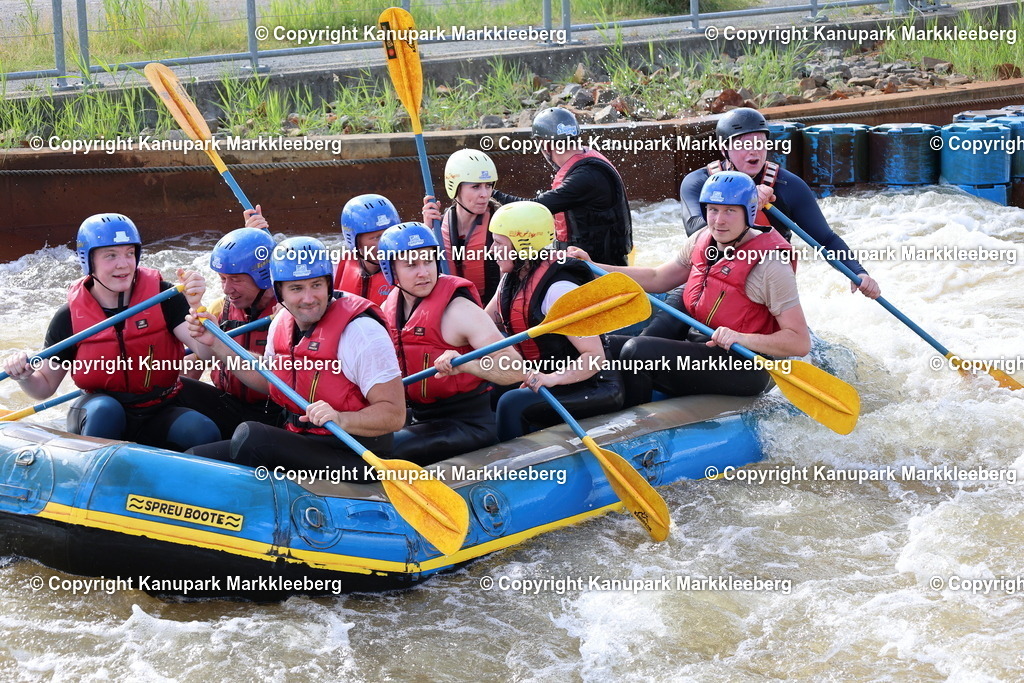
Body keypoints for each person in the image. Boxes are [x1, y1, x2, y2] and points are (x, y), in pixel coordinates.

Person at [570, 171, 811, 406]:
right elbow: (657, 277)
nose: (719, 220)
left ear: (748, 212)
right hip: (702, 344)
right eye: (713, 210)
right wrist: (592, 267)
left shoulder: (770, 265)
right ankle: (594, 400)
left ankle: (633, 425)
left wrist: (741, 338)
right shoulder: (702, 239)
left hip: (744, 363)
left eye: (730, 211)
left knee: (638, 353)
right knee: (603, 346)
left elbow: (799, 342)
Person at [186, 236, 405, 481]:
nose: (309, 298)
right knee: (193, 456)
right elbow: (268, 379)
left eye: (316, 285)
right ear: (279, 292)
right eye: (296, 288)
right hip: (303, 439)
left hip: (356, 454)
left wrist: (342, 418)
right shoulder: (282, 321)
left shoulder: (361, 331)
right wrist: (217, 342)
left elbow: (395, 415)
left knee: (255, 437)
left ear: (329, 284)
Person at [1, 213, 220, 451]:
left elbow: (206, 354)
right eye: (110, 256)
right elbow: (43, 387)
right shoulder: (69, 317)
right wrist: (22, 376)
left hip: (159, 407)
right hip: (97, 410)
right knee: (107, 411)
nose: (123, 264)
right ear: (89, 261)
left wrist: (197, 307)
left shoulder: (164, 297)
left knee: (201, 430)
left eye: (129, 253)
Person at [679, 107, 881, 299]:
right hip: (710, 276)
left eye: (760, 143)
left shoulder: (788, 186)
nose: (754, 152)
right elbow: (695, 231)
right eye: (743, 145)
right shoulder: (698, 182)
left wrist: (858, 272)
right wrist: (746, 199)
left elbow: (826, 240)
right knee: (665, 322)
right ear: (724, 149)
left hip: (765, 285)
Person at [378, 222, 525, 463]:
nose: (423, 272)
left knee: (387, 450)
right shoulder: (388, 308)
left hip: (467, 424)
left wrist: (466, 365)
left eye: (428, 261)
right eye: (411, 265)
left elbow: (516, 369)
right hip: (418, 416)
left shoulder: (459, 310)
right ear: (390, 270)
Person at [485, 201, 623, 441]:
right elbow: (484, 323)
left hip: (591, 385)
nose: (492, 250)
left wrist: (552, 379)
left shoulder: (559, 290)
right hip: (550, 376)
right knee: (490, 389)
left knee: (511, 403)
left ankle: (516, 469)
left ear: (522, 246)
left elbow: (593, 357)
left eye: (499, 243)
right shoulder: (514, 276)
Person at [491, 107, 633, 266]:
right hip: (596, 262)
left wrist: (488, 193)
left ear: (545, 145)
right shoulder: (585, 161)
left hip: (600, 271)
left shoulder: (585, 177)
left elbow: (534, 209)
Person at [179, 223, 282, 439]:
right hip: (228, 404)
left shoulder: (288, 315)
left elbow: (284, 379)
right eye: (223, 279)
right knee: (175, 389)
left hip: (273, 413)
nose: (227, 289)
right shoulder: (219, 309)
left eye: (236, 279)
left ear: (263, 277)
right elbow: (198, 361)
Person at [421, 148, 502, 303]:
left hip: (491, 315)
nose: (485, 194)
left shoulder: (501, 223)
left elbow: (510, 285)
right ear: (455, 188)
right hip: (451, 309)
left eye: (489, 185)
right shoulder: (437, 226)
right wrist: (426, 233)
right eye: (476, 187)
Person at [333, 193, 401, 306]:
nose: (386, 242)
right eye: (377, 237)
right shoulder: (341, 265)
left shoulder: (406, 270)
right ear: (355, 242)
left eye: (389, 234)